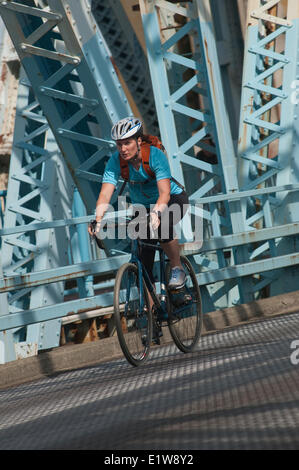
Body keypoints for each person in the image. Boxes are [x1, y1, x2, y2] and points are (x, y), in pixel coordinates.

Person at [88, 116, 189, 300]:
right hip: (142, 207)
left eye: (127, 143)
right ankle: (151, 310)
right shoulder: (116, 161)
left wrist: (157, 213)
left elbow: (165, 193)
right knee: (143, 261)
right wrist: (98, 219)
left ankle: (177, 268)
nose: (123, 149)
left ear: (139, 141)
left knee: (163, 224)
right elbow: (105, 194)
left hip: (173, 198)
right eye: (119, 144)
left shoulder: (155, 156)